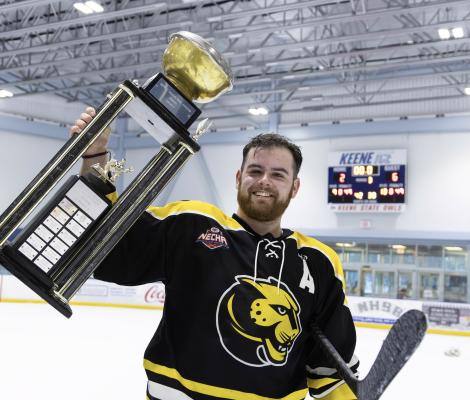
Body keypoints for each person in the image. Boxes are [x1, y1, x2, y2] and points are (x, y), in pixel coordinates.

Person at [71, 108, 359, 400]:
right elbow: (103, 245)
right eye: (255, 171)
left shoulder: (319, 263)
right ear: (238, 177)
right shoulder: (190, 224)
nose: (264, 181)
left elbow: (330, 372)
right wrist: (95, 159)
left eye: (278, 174)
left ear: (294, 187)